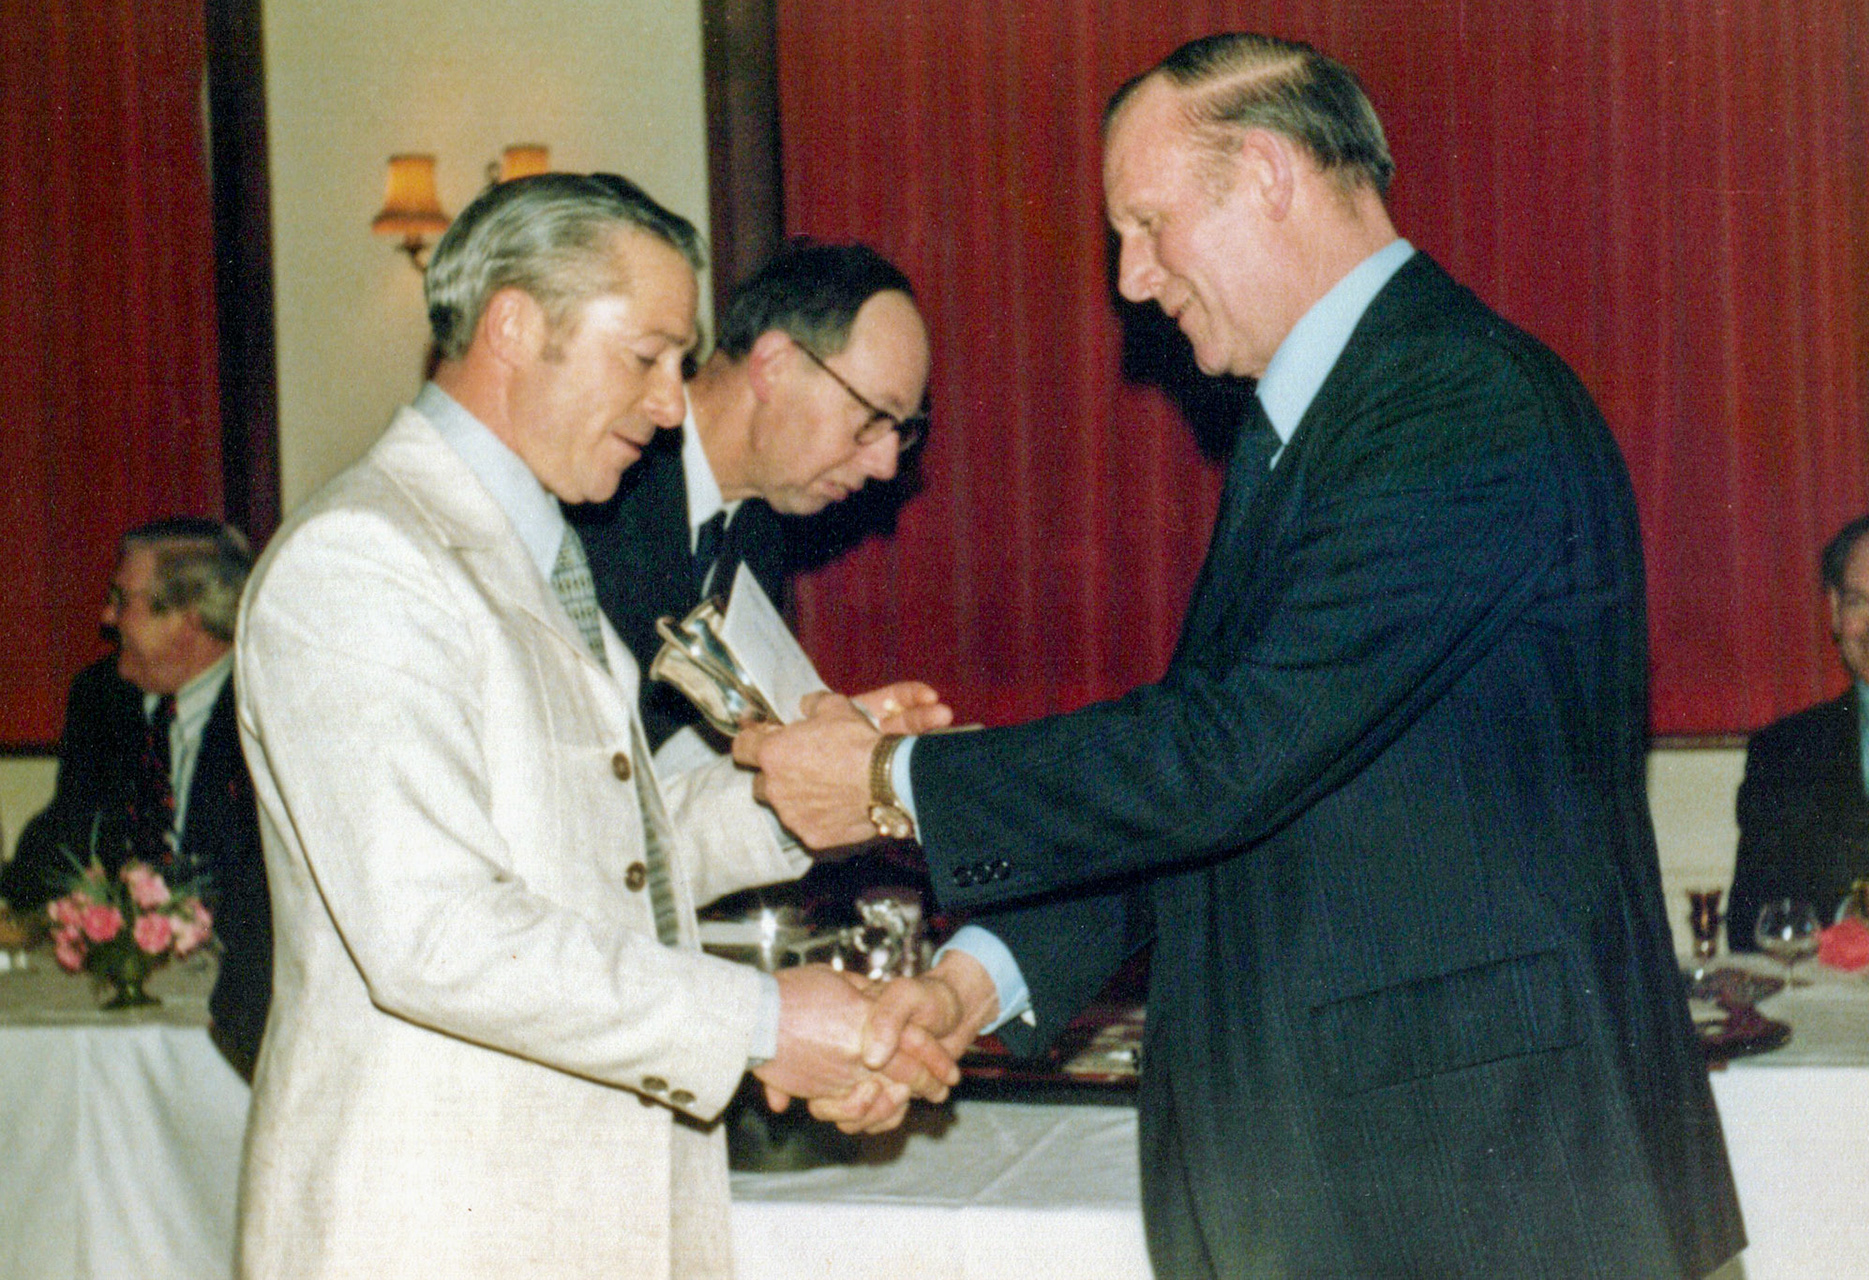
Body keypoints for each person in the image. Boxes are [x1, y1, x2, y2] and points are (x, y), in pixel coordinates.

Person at [737, 35, 1744, 1279]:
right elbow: (1222, 792)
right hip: (1382, 1179)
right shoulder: (1334, 417)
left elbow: (1232, 754)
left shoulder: (1456, 403)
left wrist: (894, 779)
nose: (1132, 277)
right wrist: (968, 985)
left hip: (1482, 1189)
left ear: (1267, 173)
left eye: (1148, 224)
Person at [231, 172, 953, 1278]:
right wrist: (762, 1018)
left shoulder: (542, 552)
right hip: (431, 1220)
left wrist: (802, 786)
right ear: (515, 323)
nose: (674, 405)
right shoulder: (365, 557)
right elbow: (434, 933)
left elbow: (613, 851)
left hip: (580, 1202)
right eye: (648, 357)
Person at [568, 239, 930, 750]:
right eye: (873, 418)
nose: (887, 463)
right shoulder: (593, 490)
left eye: (902, 430)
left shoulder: (758, 534)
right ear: (774, 365)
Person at [1, 518, 271, 1080]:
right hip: (119, 990)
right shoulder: (101, 698)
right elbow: (65, 834)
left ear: (190, 620)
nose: (106, 618)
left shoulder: (268, 707)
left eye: (123, 601)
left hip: (237, 1008)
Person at [1728, 511, 1869, 950]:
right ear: (1834, 610)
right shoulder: (1783, 752)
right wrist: (1848, 920)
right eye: (1858, 603)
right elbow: (1748, 928)